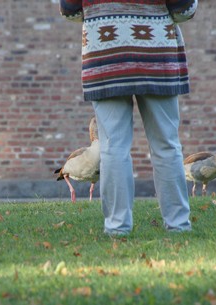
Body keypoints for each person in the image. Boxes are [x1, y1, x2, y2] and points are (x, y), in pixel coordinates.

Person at [59, 0, 198, 235]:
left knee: (112, 147)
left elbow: (69, 10)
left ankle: (117, 227)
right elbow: (185, 10)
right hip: (156, 55)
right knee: (166, 144)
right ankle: (178, 226)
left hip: (105, 55)